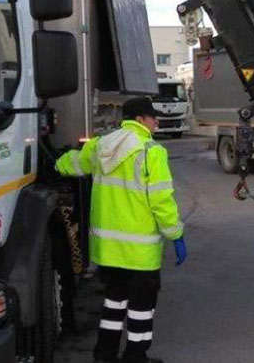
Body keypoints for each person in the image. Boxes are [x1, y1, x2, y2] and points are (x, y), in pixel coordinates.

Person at [55, 97, 186, 363]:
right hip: (140, 253)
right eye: (152, 117)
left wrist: (56, 163)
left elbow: (75, 164)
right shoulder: (151, 151)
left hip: (109, 252)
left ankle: (105, 355)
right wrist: (176, 234)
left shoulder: (101, 145)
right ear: (140, 120)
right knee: (141, 309)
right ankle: (135, 357)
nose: (156, 121)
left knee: (114, 303)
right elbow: (161, 201)